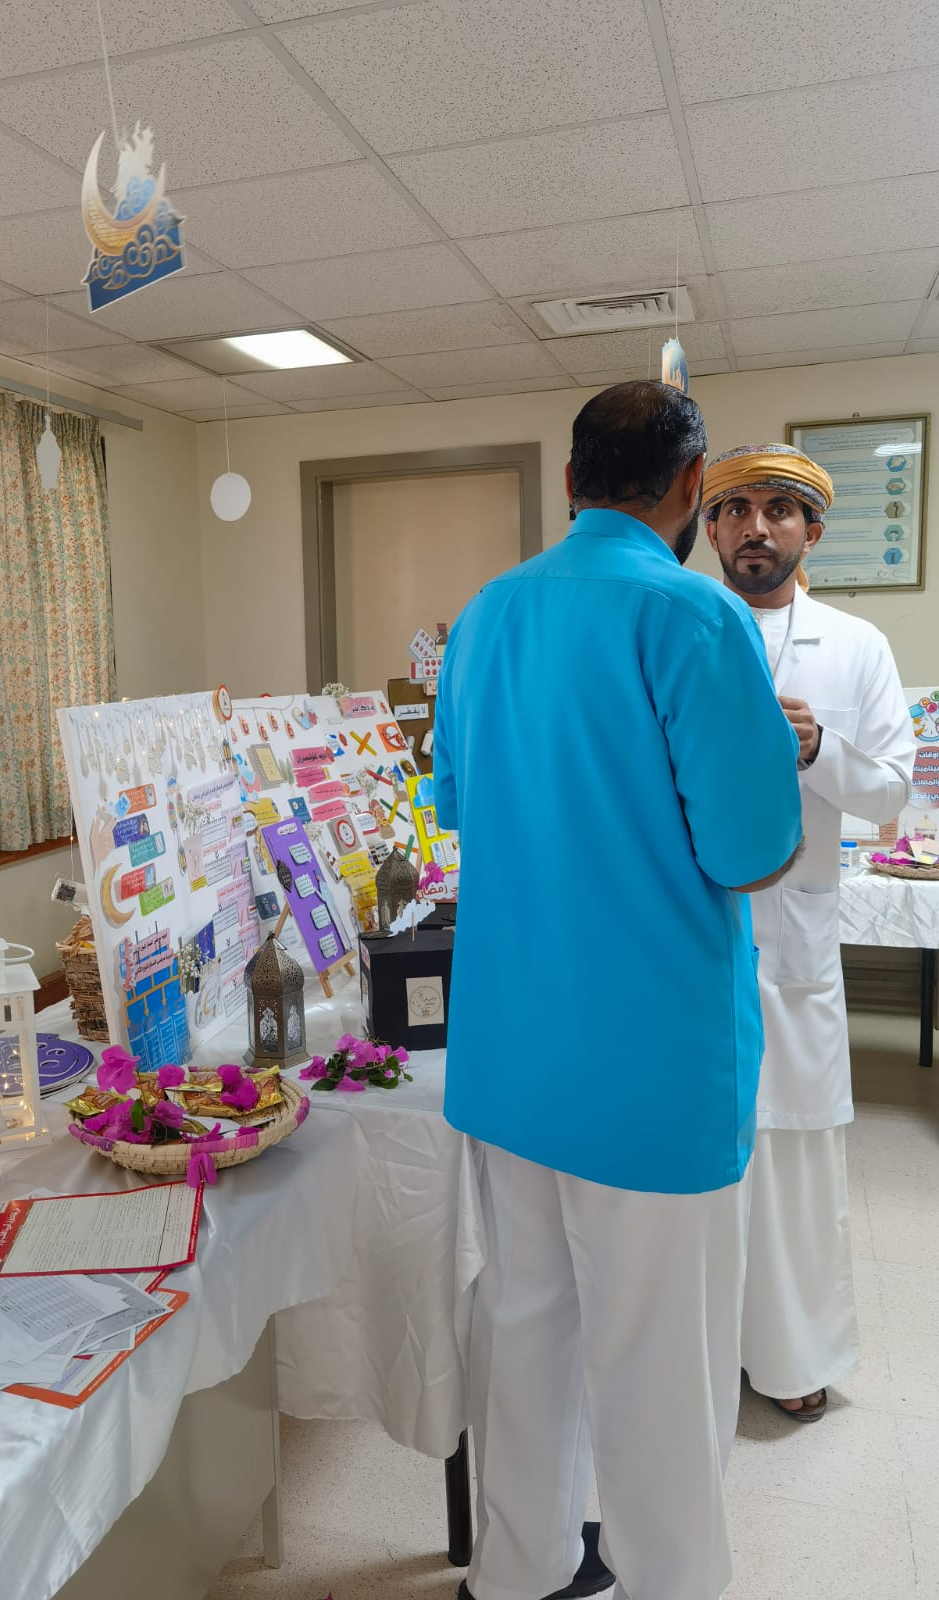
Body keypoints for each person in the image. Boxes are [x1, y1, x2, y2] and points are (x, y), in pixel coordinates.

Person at [433, 381, 803, 1600]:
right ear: (693, 488)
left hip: (511, 1053)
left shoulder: (485, 616)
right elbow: (751, 852)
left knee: (527, 1321)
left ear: (571, 481)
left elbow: (458, 805)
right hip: (649, 1067)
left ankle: (521, 1568)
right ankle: (668, 1580)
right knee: (660, 1356)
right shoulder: (696, 618)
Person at [703, 444, 916, 1420]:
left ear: (812, 531)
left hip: (792, 945)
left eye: (779, 510)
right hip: (687, 941)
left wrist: (818, 745)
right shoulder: (678, 628)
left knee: (789, 1158)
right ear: (710, 528)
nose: (757, 526)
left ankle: (790, 1358)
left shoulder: (856, 646)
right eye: (736, 508)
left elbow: (891, 794)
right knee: (697, 1159)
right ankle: (700, 1356)